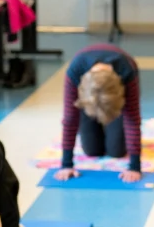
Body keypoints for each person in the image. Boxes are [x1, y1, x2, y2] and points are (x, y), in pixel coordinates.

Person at [53, 44, 143, 185]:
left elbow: (132, 118)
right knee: (92, 150)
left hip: (113, 103)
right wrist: (66, 164)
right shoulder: (75, 70)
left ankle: (111, 125)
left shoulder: (127, 70)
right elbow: (70, 119)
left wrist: (135, 167)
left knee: (117, 151)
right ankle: (95, 121)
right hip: (89, 101)